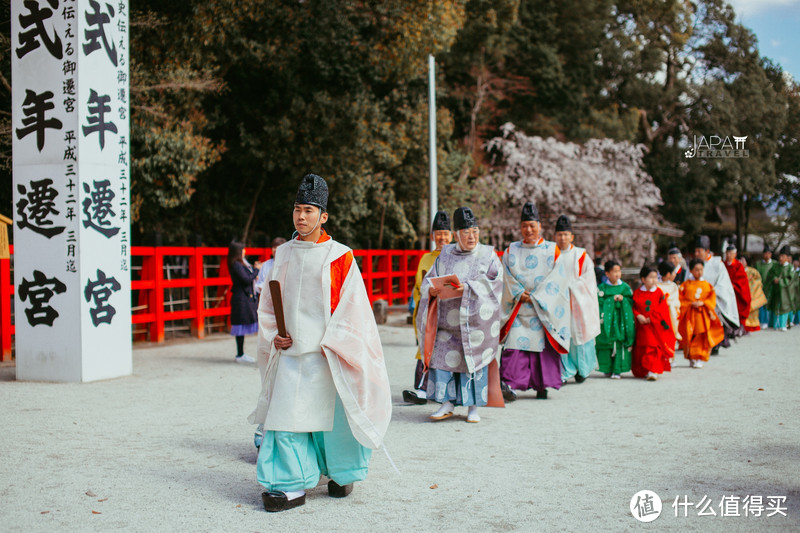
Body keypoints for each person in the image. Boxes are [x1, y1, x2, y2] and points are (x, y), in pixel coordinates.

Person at [248, 174, 392, 512]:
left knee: (335, 420)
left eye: (309, 210)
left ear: (323, 216)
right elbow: (268, 305)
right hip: (290, 352)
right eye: (297, 210)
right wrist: (274, 334)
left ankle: (342, 473)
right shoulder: (281, 254)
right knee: (285, 418)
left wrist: (336, 342)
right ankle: (289, 484)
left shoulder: (340, 257)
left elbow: (353, 306)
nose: (301, 217)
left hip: (328, 352)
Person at [415, 207, 503, 422]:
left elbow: (497, 283)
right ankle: (446, 403)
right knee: (443, 361)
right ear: (456, 235)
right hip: (447, 322)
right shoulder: (444, 254)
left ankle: (473, 407)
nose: (471, 236)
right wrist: (432, 290)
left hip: (475, 324)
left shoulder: (487, 255)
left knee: (471, 362)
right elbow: (428, 280)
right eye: (466, 232)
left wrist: (471, 288)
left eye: (475, 231)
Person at [499, 202, 571, 399]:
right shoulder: (510, 251)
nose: (528, 229)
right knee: (514, 347)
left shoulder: (552, 250)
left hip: (542, 309)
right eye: (524, 225)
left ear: (540, 226)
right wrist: (516, 292)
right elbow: (504, 275)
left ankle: (542, 384)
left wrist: (538, 297)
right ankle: (509, 385)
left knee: (542, 349)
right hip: (519, 307)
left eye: (532, 225)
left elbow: (558, 279)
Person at [402, 211, 452, 405]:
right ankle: (422, 388)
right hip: (429, 311)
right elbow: (418, 287)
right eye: (438, 233)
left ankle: (442, 390)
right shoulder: (425, 259)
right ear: (432, 236)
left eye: (445, 233)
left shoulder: (456, 257)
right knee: (426, 347)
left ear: (452, 235)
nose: (442, 237)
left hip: (448, 313)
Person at [553, 215, 600, 384]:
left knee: (580, 337)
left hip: (578, 304)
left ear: (572, 236)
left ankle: (583, 370)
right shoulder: (551, 254)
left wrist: (572, 287)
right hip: (558, 303)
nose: (563, 238)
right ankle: (564, 371)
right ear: (555, 236)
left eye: (566, 234)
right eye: (559, 234)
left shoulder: (581, 255)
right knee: (562, 337)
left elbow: (588, 278)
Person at [692, 235, 739, 353]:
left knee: (714, 324)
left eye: (699, 251)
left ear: (707, 251)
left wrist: (710, 292)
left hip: (713, 300)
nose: (696, 253)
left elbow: (723, 284)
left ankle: (714, 346)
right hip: (697, 299)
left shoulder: (717, 264)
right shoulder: (694, 264)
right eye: (695, 251)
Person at [631, 264, 675, 381]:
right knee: (642, 348)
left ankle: (653, 370)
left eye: (656, 277)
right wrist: (638, 315)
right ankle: (644, 370)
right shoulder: (637, 293)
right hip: (642, 327)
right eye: (651, 277)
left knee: (653, 347)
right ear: (643, 279)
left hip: (654, 326)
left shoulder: (659, 293)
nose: (654, 280)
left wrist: (652, 318)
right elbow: (633, 307)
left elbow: (663, 309)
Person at [678, 259, 724, 368]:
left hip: (702, 315)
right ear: (691, 271)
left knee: (701, 335)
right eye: (696, 270)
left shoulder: (708, 286)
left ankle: (699, 357)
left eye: (701, 269)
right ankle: (691, 357)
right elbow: (680, 298)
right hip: (689, 314)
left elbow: (711, 299)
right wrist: (690, 303)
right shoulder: (685, 285)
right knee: (690, 335)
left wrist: (703, 303)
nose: (699, 272)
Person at [595, 260, 634, 379]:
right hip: (606, 321)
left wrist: (623, 300)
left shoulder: (625, 287)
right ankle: (607, 368)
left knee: (619, 343)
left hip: (621, 320)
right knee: (606, 343)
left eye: (619, 271)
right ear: (607, 273)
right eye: (614, 271)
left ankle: (617, 370)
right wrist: (612, 300)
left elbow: (631, 301)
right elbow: (598, 303)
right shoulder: (601, 288)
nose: (617, 274)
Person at [228, 240, 262, 364]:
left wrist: (254, 269)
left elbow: (248, 276)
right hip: (241, 298)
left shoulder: (240, 263)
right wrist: (257, 270)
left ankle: (241, 353)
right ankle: (240, 354)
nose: (244, 251)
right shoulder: (236, 264)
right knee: (240, 326)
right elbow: (246, 279)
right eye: (242, 249)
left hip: (245, 297)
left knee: (242, 325)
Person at [723, 245, 752, 336]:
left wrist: (733, 285)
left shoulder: (738, 266)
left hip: (736, 293)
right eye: (727, 253)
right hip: (724, 292)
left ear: (735, 254)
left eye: (730, 253)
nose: (728, 255)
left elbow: (742, 281)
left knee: (737, 309)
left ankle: (738, 329)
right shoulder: (722, 264)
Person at [767, 246, 797, 331]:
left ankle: (784, 325)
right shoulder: (775, 266)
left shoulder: (790, 267)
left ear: (787, 258)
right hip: (776, 291)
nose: (781, 258)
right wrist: (774, 279)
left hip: (786, 292)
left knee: (785, 307)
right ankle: (775, 325)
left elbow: (790, 279)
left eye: (783, 256)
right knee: (775, 306)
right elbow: (770, 274)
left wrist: (779, 281)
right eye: (780, 256)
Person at [738, 256, 767, 332]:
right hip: (740, 295)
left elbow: (758, 282)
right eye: (739, 260)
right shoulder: (737, 271)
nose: (740, 262)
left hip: (751, 294)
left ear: (746, 262)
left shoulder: (753, 272)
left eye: (742, 260)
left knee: (752, 312)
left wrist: (749, 282)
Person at [656, 261, 681, 343]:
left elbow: (675, 301)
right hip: (660, 315)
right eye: (673, 272)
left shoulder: (673, 286)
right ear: (668, 274)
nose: (675, 274)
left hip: (671, 315)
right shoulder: (657, 286)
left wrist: (668, 303)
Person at [755, 244, 777, 329]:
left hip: (771, 288)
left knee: (770, 304)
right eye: (765, 253)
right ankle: (762, 321)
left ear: (771, 254)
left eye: (768, 253)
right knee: (761, 305)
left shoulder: (774, 264)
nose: (767, 255)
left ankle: (770, 322)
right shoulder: (758, 264)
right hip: (760, 288)